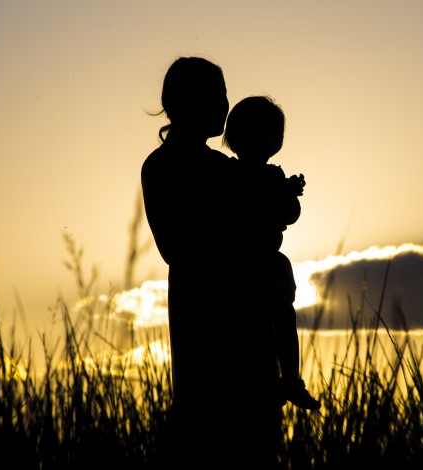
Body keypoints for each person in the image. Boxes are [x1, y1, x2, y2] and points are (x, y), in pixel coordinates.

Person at [141, 57, 283, 469]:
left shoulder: (227, 168)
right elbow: (178, 247)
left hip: (252, 321)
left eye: (223, 94)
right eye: (214, 95)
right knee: (207, 436)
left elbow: (268, 225)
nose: (224, 105)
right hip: (204, 321)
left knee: (256, 440)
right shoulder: (163, 167)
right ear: (183, 103)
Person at [223, 95, 320, 411]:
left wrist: (288, 194)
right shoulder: (230, 175)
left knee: (284, 318)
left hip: (270, 262)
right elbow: (246, 209)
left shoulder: (272, 176)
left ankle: (290, 379)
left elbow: (290, 214)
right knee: (258, 327)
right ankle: (275, 380)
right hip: (242, 267)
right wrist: (279, 195)